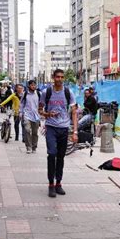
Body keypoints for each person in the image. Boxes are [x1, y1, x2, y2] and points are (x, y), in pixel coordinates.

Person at [39, 69, 78, 198]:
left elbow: (74, 112)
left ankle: (58, 183)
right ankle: (51, 184)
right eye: (57, 77)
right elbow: (40, 110)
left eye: (62, 77)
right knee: (52, 154)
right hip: (51, 127)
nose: (60, 79)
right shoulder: (46, 92)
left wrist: (75, 132)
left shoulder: (68, 93)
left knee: (61, 157)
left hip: (64, 128)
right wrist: (48, 114)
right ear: (53, 78)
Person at [21, 80, 41, 153]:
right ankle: (28, 147)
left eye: (34, 85)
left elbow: (42, 104)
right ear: (29, 86)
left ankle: (34, 147)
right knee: (27, 130)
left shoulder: (39, 94)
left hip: (36, 116)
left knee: (35, 133)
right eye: (32, 85)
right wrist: (21, 113)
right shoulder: (25, 94)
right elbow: (22, 103)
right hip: (27, 115)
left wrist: (42, 112)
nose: (34, 86)